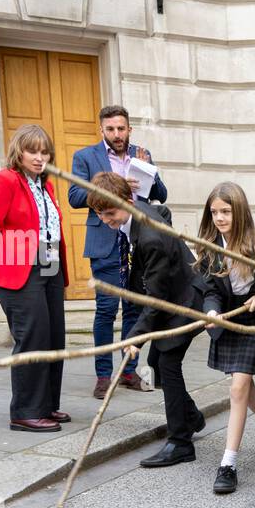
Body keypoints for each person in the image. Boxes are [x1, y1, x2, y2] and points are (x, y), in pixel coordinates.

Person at [86, 171, 204, 467]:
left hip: (185, 302)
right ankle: (192, 418)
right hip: (170, 298)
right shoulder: (133, 218)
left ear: (127, 200)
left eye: (110, 212)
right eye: (100, 214)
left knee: (167, 363)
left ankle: (180, 443)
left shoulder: (150, 236)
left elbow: (155, 298)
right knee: (157, 364)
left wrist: (136, 336)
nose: (106, 220)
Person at [67, 106, 168, 399]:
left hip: (139, 242)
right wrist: (112, 187)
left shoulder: (142, 154)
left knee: (135, 309)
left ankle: (128, 370)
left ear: (129, 129)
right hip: (105, 242)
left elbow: (161, 194)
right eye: (110, 129)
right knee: (107, 310)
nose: (116, 134)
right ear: (102, 130)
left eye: (121, 129)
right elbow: (74, 197)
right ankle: (103, 375)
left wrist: (151, 175)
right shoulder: (85, 157)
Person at [0, 124, 70, 432]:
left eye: (45, 152)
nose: (39, 157)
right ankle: (25, 411)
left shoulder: (45, 185)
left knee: (53, 338)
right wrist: (17, 259)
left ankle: (46, 405)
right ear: (19, 151)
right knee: (32, 339)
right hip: (20, 271)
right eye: (33, 150)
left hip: (50, 265)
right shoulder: (4, 181)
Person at [193, 181, 255, 494]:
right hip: (230, 324)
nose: (219, 218)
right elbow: (210, 291)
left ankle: (228, 464)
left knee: (238, 387)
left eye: (226, 211)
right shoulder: (209, 248)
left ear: (240, 211)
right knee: (243, 388)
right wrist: (212, 312)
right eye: (214, 212)